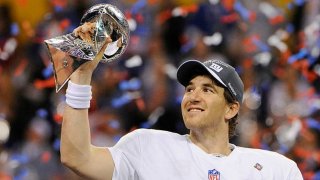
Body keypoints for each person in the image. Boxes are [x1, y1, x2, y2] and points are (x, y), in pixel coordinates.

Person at [60, 25, 303, 180]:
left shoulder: (276, 170)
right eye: (189, 89)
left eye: (207, 90)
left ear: (231, 108)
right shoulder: (148, 146)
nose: (193, 96)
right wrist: (81, 77)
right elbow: (78, 158)